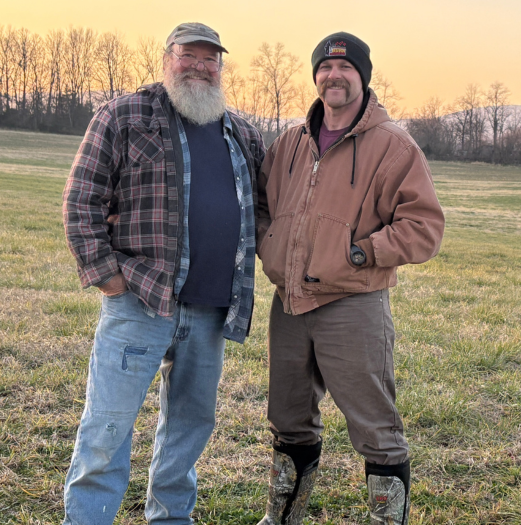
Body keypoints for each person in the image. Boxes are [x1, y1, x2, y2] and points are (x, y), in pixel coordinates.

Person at [61, 22, 265, 524]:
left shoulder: (241, 132)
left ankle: (171, 518)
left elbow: (262, 205)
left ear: (221, 67)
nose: (199, 65)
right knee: (107, 428)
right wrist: (106, 274)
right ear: (166, 58)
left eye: (210, 58)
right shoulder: (126, 114)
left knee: (190, 427)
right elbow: (81, 199)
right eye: (187, 55)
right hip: (141, 300)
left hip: (212, 308)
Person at [253, 32, 444, 525]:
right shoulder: (290, 143)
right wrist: (269, 244)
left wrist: (361, 253)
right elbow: (259, 206)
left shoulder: (393, 146)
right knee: (289, 421)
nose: (333, 76)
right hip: (291, 305)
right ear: (315, 76)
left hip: (353, 305)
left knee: (376, 429)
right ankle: (282, 518)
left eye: (345, 68)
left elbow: (424, 227)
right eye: (325, 68)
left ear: (363, 77)